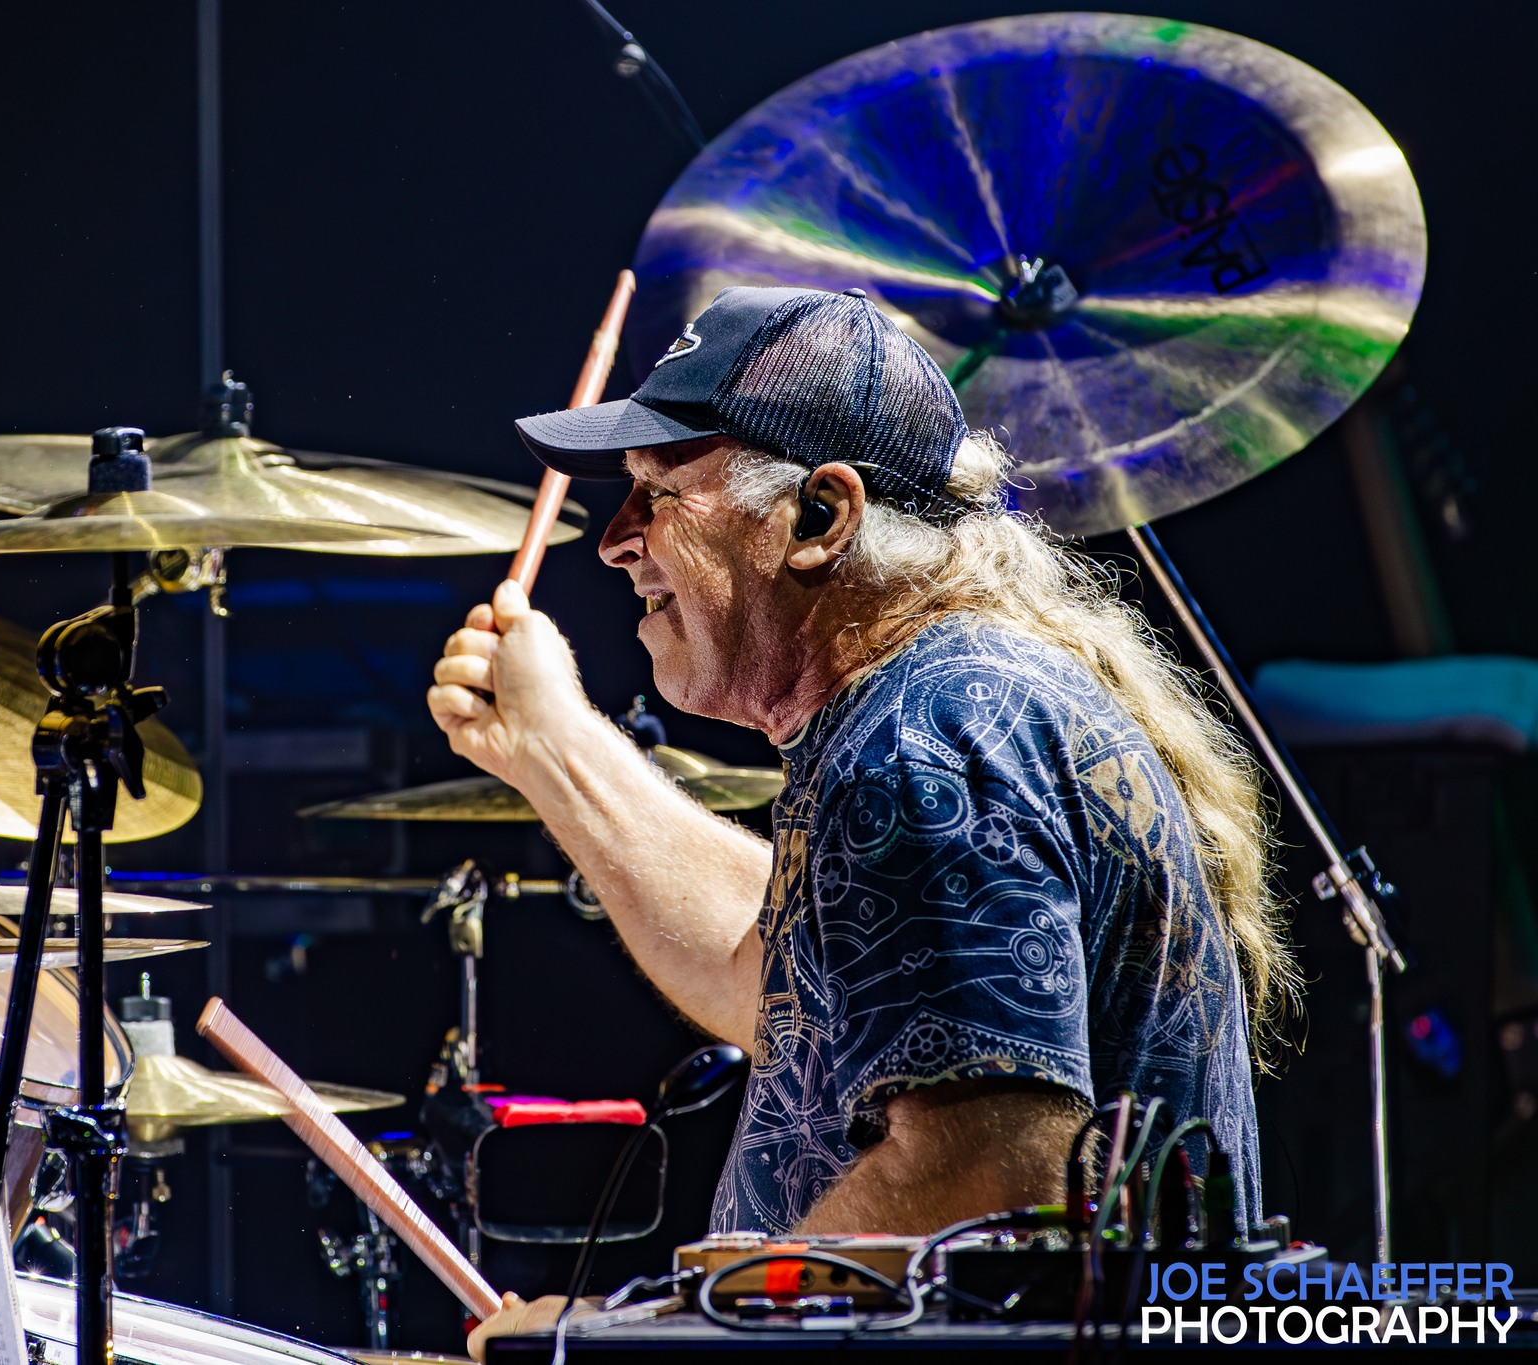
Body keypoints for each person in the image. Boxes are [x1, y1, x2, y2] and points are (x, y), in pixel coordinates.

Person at [432, 286, 1295, 1357]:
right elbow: (775, 985)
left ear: (819, 517)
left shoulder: (926, 746)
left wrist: (630, 1341)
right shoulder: (943, 701)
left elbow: (990, 1175)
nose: (614, 540)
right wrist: (552, 748)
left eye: (659, 494)